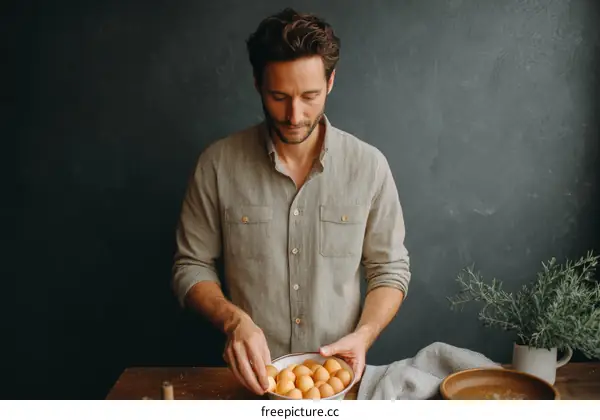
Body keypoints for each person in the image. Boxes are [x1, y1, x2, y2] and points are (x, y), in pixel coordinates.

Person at [171, 8, 411, 396]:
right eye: (278, 96)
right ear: (256, 83)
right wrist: (234, 322)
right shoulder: (217, 164)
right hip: (248, 385)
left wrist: (364, 336)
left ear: (331, 82)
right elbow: (190, 265)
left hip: (342, 384)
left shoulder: (369, 166)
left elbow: (390, 269)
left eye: (309, 96)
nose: (294, 115)